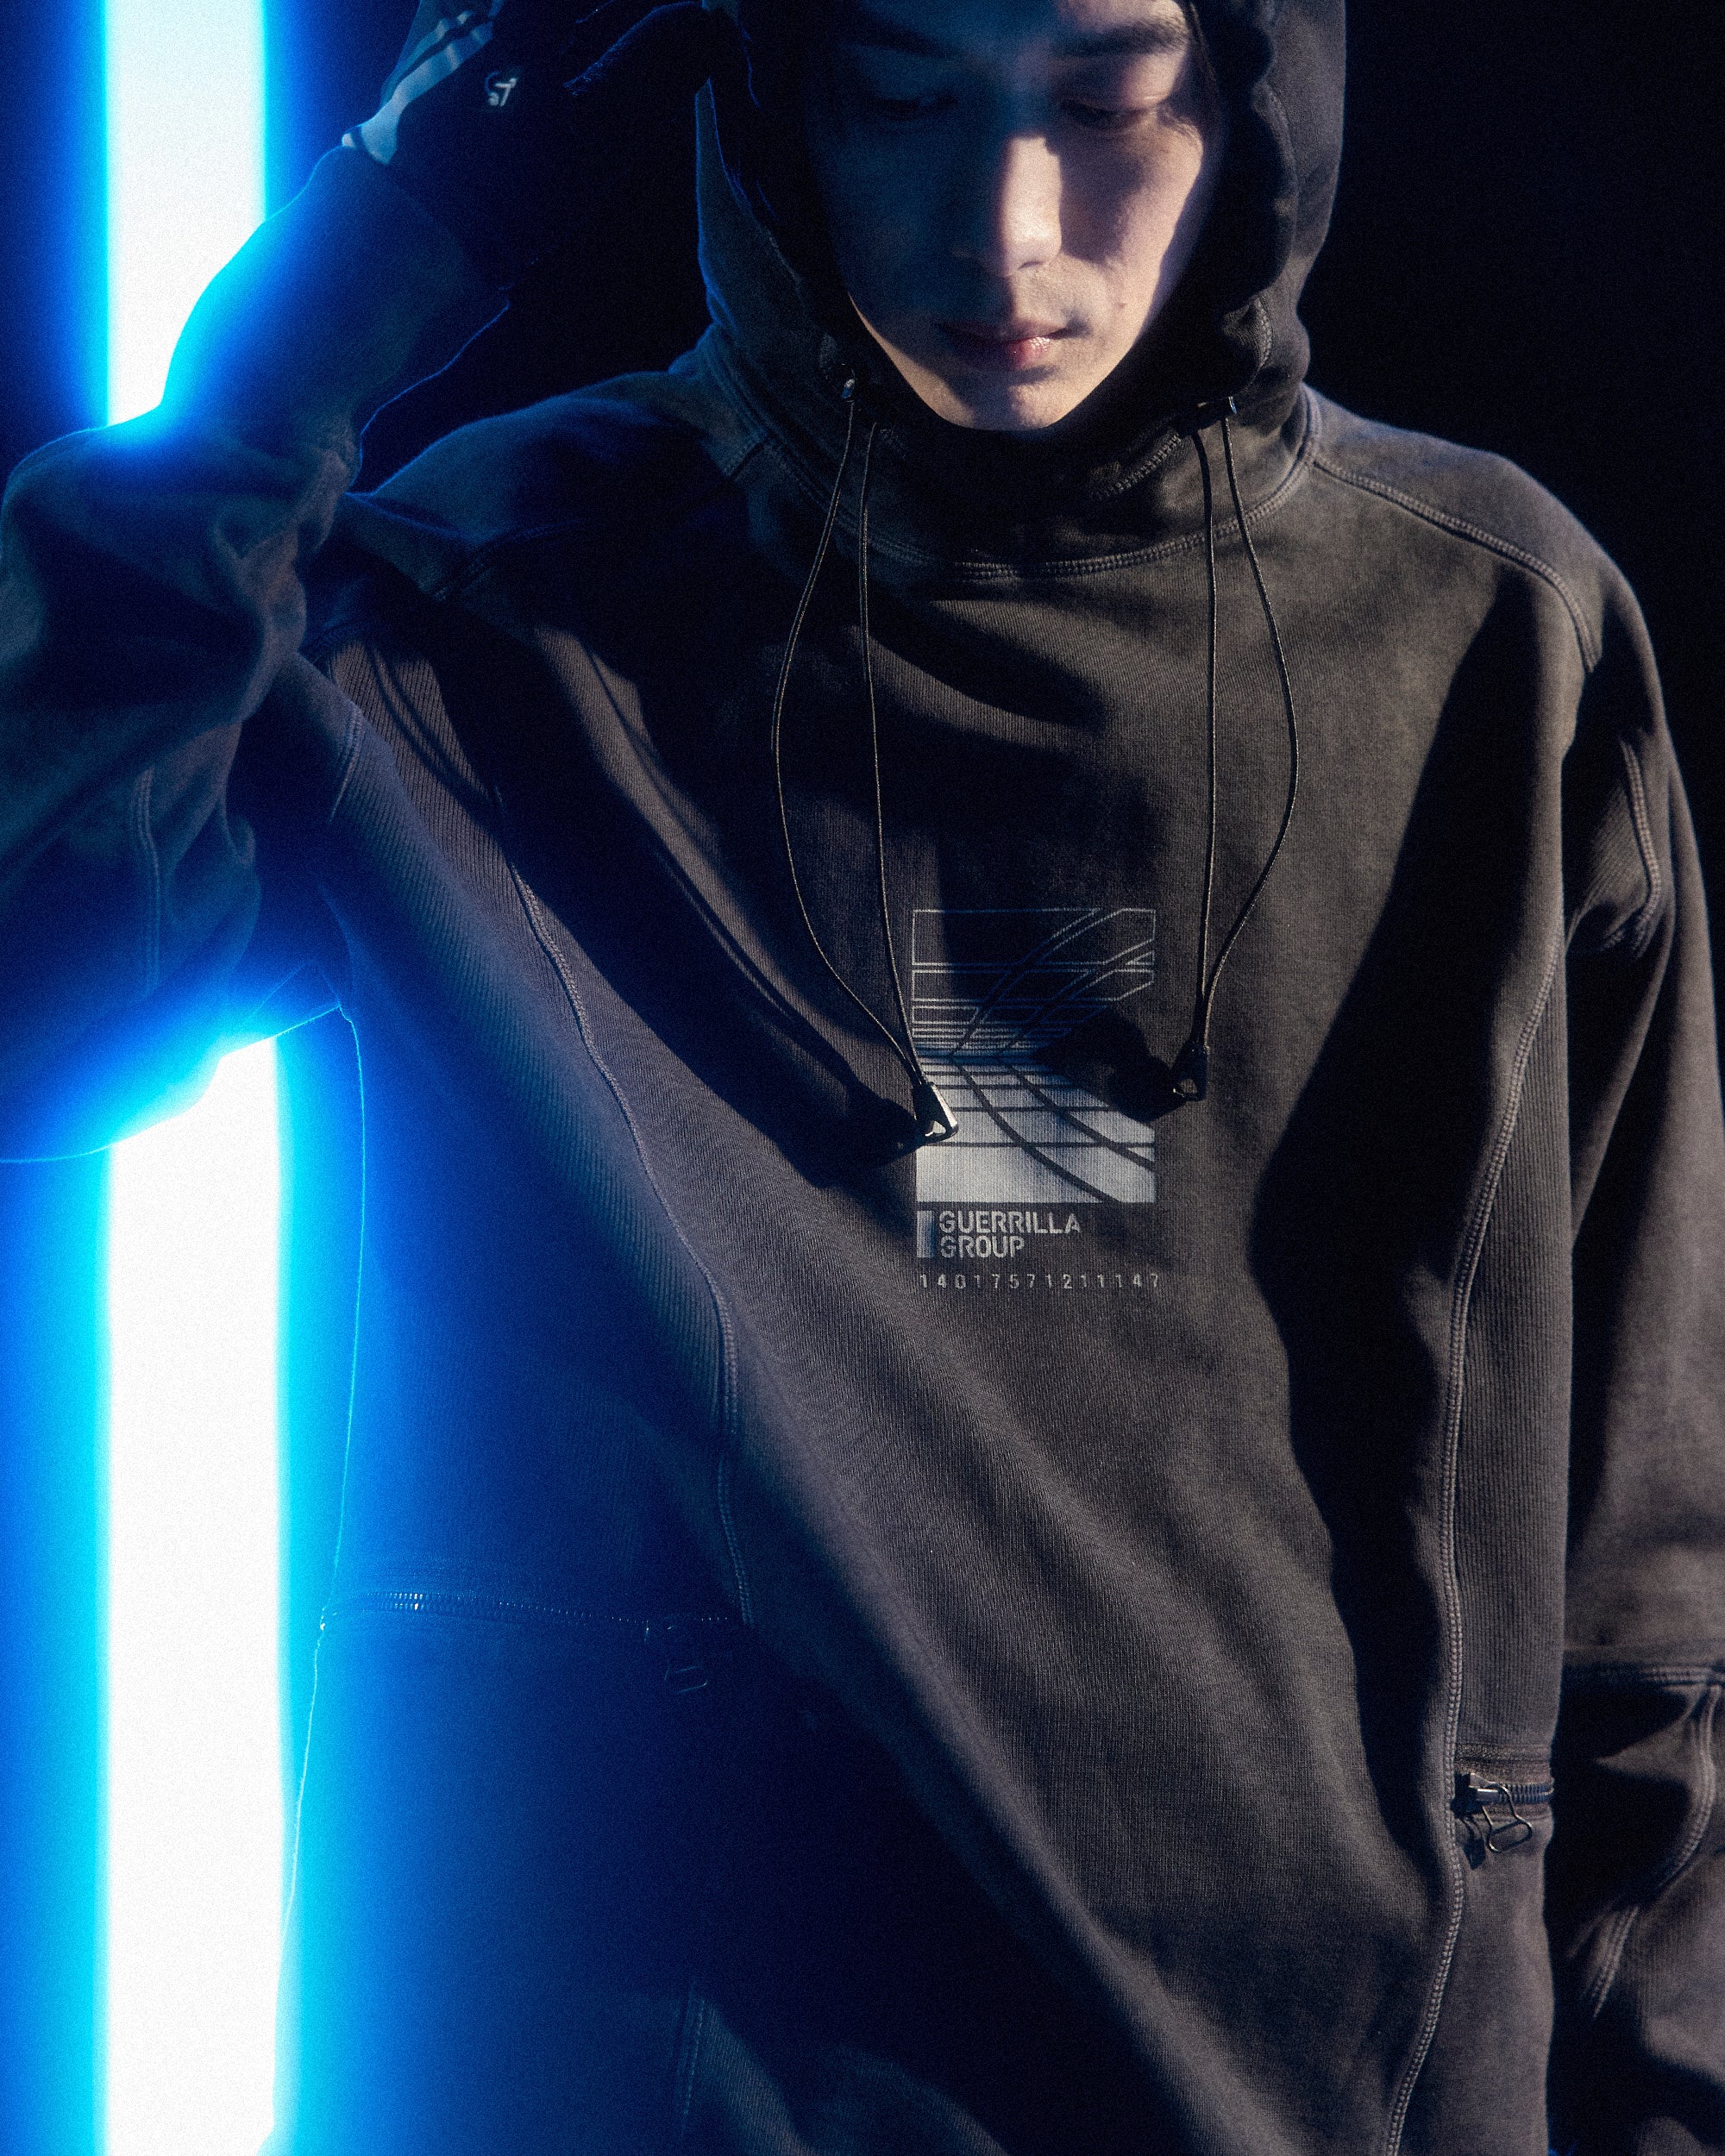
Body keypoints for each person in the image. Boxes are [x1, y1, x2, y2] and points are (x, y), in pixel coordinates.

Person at [2, 0, 1721, 2148]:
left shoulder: (1489, 637)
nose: (1008, 230)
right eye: (903, 97)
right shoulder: (498, 608)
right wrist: (378, 242)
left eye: (1107, 98)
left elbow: (1652, 1593)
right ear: (772, 89)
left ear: (1254, 96)